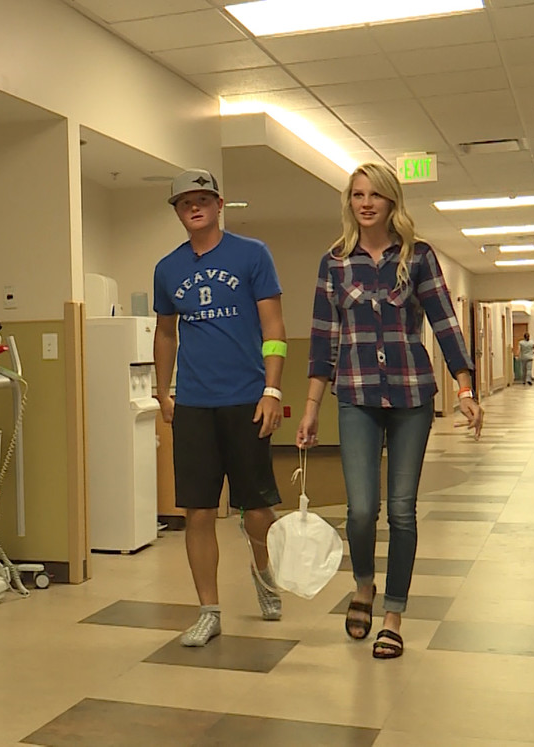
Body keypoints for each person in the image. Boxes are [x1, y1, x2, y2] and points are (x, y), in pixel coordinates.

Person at [295, 162, 483, 660]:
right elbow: (323, 339)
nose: (366, 202)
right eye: (358, 194)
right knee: (360, 511)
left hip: (411, 395)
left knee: (401, 510)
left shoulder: (417, 257)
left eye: (376, 194)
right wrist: (312, 406)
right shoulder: (333, 262)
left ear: (392, 201)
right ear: (349, 202)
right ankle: (363, 587)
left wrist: (465, 388)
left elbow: (444, 323)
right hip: (355, 395)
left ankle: (394, 615)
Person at [152, 168, 287, 647]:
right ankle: (208, 610)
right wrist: (162, 389)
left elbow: (274, 330)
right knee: (198, 512)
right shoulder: (167, 269)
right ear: (177, 211)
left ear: (219, 203)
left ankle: (263, 568)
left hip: (247, 401)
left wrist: (272, 391)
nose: (194, 206)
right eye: (185, 201)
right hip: (194, 404)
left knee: (257, 511)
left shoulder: (252, 255)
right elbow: (166, 332)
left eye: (202, 198)